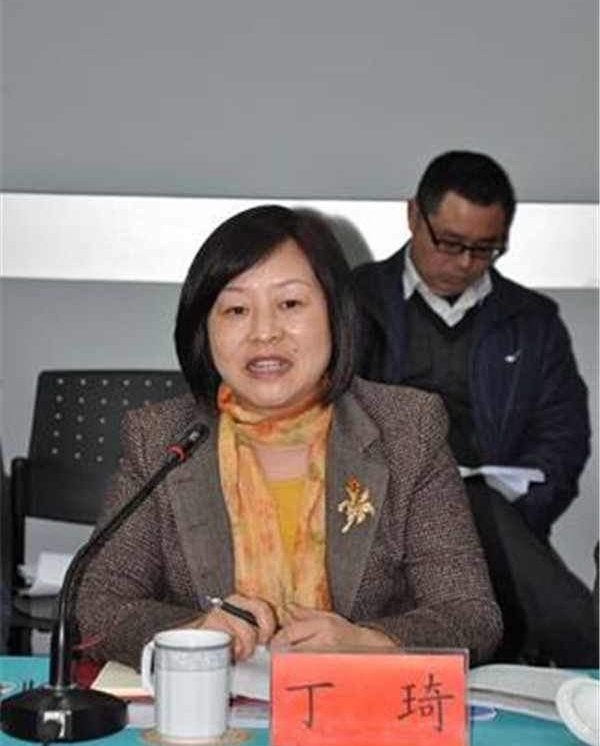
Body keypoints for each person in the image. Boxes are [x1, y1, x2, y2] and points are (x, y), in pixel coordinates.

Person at [74, 204, 502, 669]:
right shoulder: (163, 438)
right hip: (210, 703)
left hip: (358, 704)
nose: (264, 333)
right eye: (236, 310)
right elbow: (97, 604)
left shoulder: (407, 429)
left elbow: (470, 614)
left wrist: (369, 642)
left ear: (335, 314)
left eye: (291, 304)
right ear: (204, 330)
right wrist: (192, 633)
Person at [353, 151, 595, 666]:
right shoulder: (354, 301)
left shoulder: (532, 320)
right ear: (413, 216)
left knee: (474, 503)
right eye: (450, 243)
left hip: (502, 515)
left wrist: (507, 515)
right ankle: (586, 649)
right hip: (382, 511)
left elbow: (563, 439)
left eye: (486, 249)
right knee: (457, 497)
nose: (465, 262)